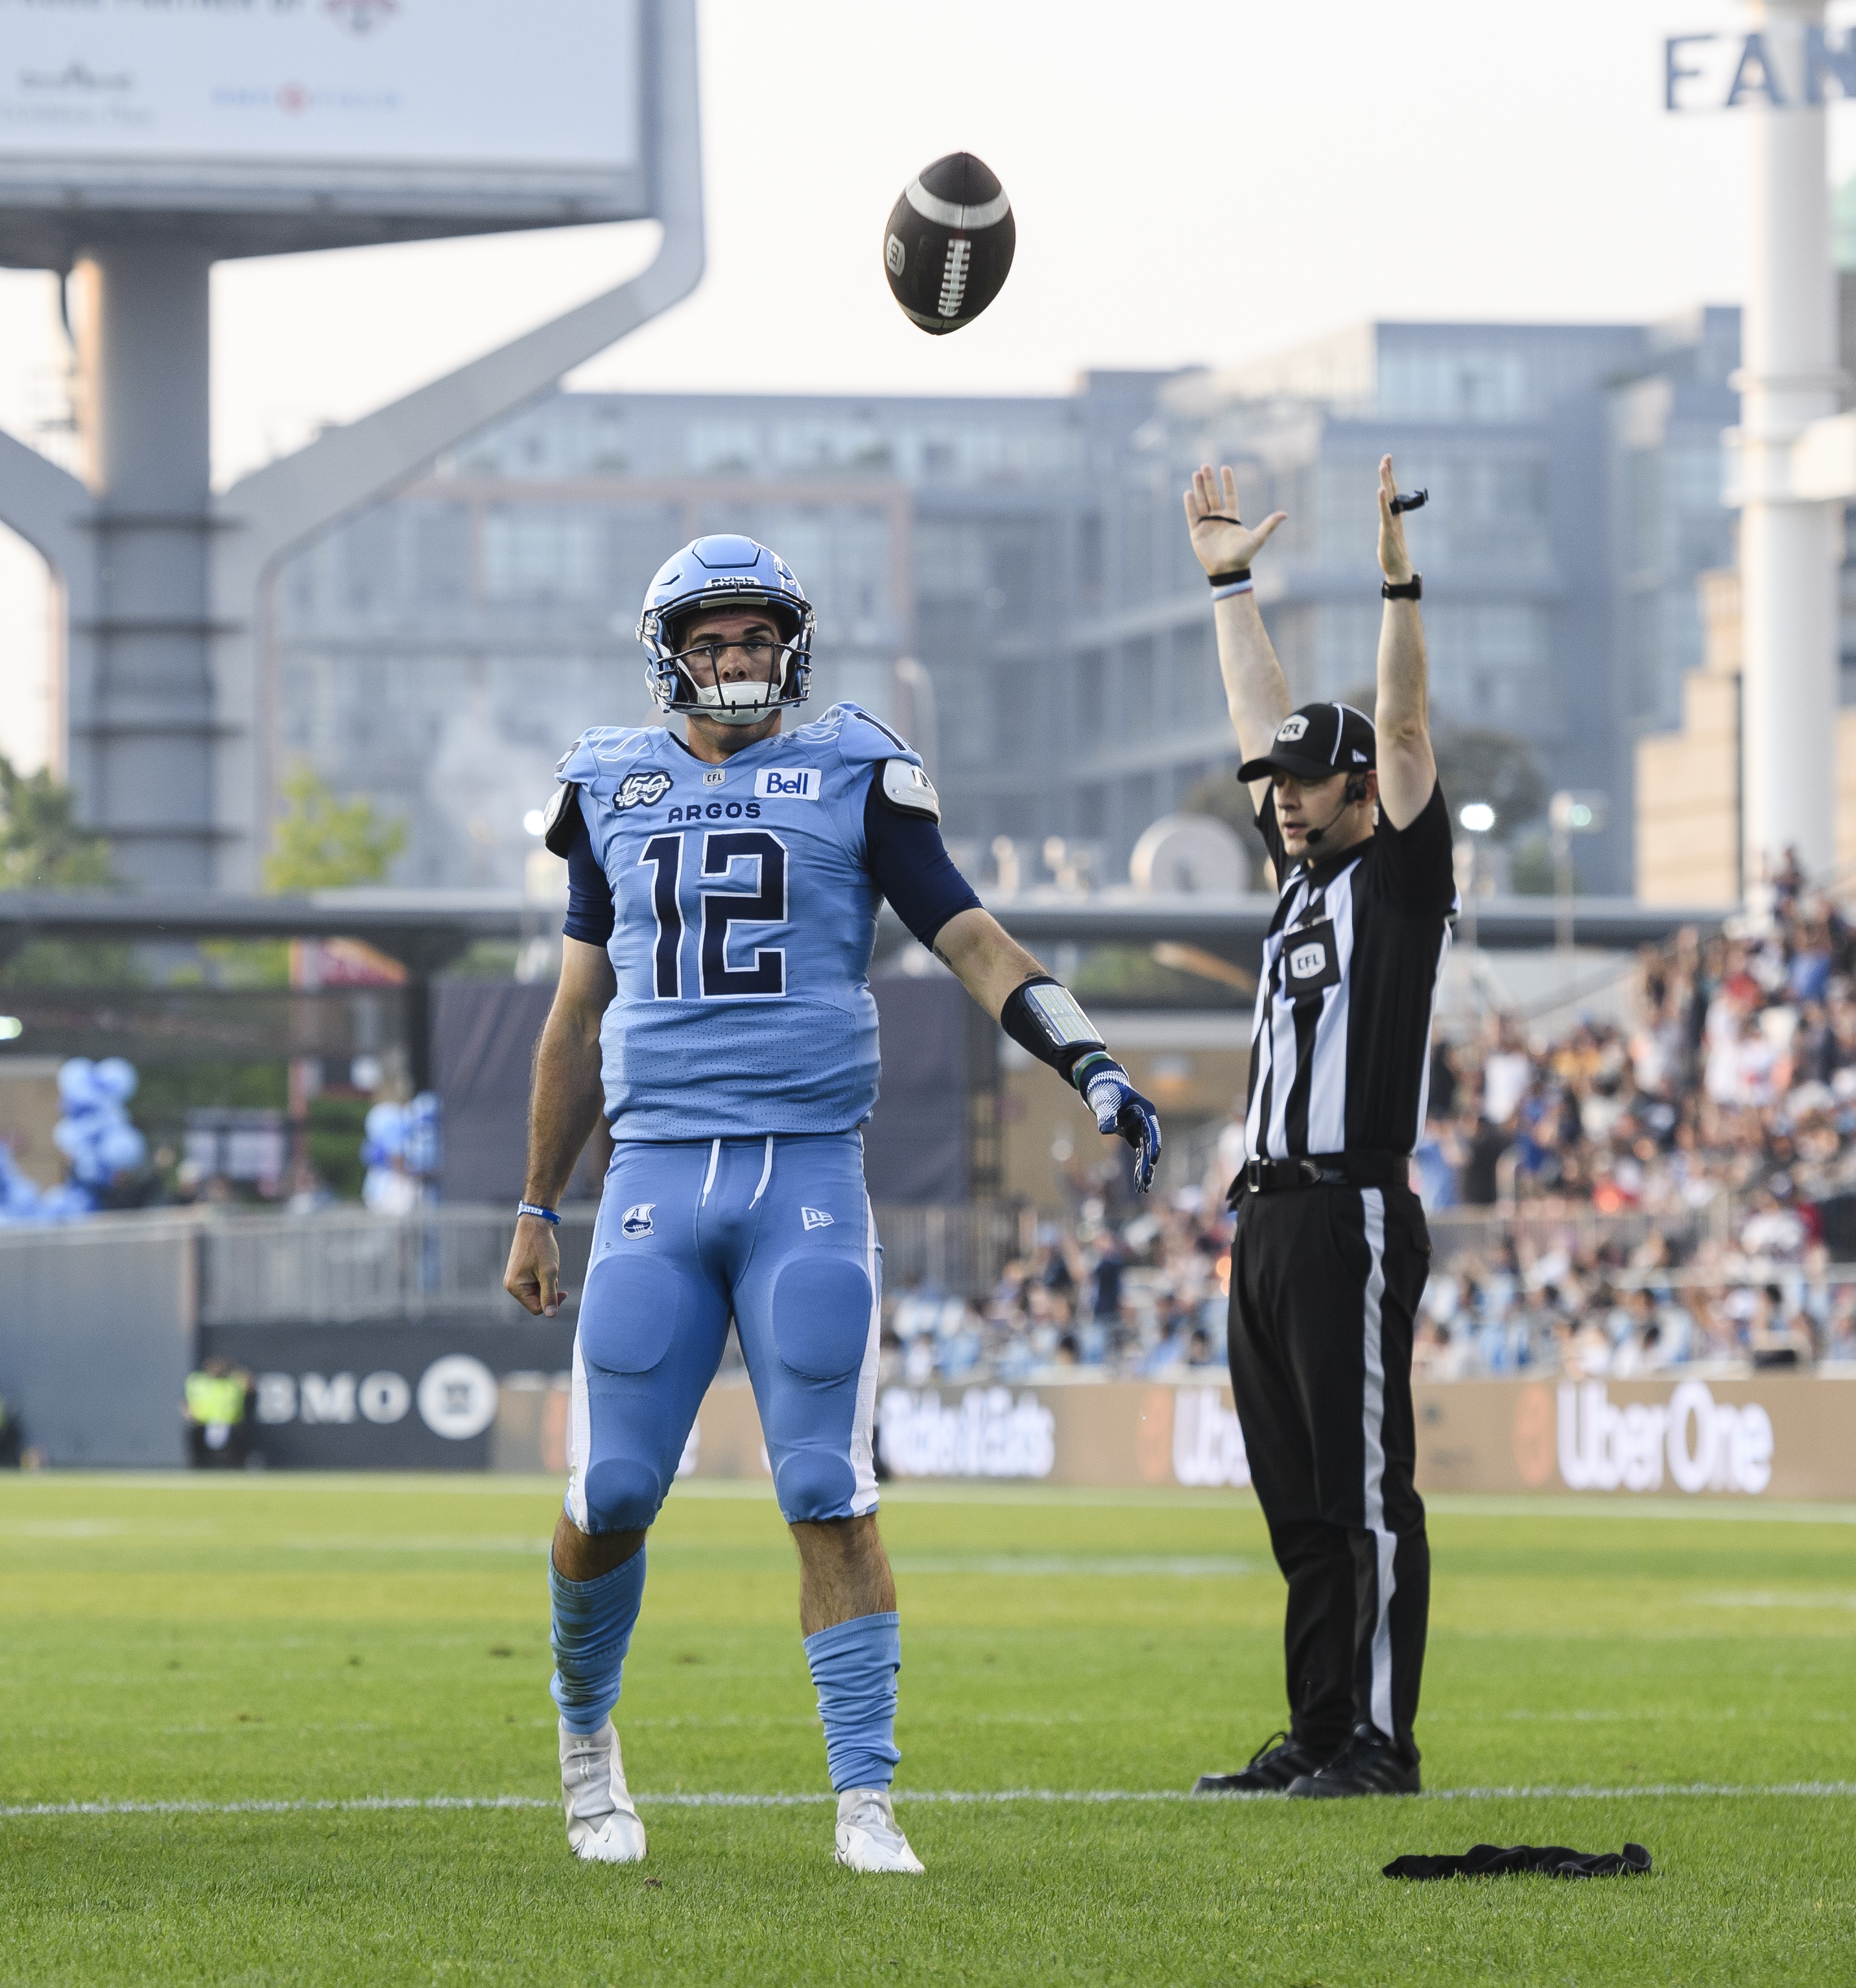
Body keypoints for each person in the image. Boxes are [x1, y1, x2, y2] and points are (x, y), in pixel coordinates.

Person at [501, 536, 1163, 1875]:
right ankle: (585, 1751)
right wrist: (534, 1206)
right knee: (613, 1485)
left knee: (827, 1485)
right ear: (669, 652)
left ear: (789, 647)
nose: (735, 656)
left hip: (805, 1163)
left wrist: (1085, 1058)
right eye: (713, 636)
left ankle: (864, 1797)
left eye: (755, 635)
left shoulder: (853, 770)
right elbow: (574, 1017)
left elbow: (970, 937)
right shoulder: (607, 784)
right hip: (655, 1170)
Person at [1182, 459, 1451, 1801]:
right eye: (1279, 785)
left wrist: (1396, 579)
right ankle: (1315, 1725)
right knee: (1294, 1498)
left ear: (1360, 794)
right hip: (1267, 1211)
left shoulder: (1394, 885)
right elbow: (1255, 723)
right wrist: (1228, 583)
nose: (1283, 799)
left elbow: (1400, 731)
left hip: (1349, 1204)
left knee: (1360, 1492)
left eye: (1309, 783)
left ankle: (1376, 1743)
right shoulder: (1298, 884)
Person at [184, 1355, 249, 1469]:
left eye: (219, 1366)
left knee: (233, 1455)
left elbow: (249, 1384)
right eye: (213, 1366)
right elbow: (185, 1402)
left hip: (230, 1425)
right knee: (199, 1455)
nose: (216, 1369)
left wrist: (235, 1367)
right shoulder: (197, 1381)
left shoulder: (234, 1382)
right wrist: (189, 1413)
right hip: (203, 1424)